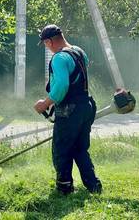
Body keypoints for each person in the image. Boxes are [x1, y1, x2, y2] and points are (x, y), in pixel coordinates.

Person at [34, 24, 102, 195]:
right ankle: (94, 186)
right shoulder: (79, 52)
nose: (46, 47)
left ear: (49, 41)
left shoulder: (59, 58)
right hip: (86, 105)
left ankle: (64, 188)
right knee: (80, 148)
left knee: (61, 149)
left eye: (45, 44)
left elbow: (62, 85)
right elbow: (74, 79)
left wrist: (45, 103)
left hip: (69, 109)